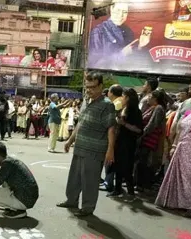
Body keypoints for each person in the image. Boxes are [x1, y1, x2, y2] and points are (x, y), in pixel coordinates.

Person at [57, 72, 116, 217]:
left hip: (95, 150)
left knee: (90, 180)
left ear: (101, 86)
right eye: (87, 87)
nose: (89, 90)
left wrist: (110, 150)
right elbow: (80, 123)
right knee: (74, 177)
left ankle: (88, 207)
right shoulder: (86, 101)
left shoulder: (107, 105)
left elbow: (111, 128)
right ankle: (71, 200)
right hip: (80, 146)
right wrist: (70, 140)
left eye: (93, 87)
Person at [110, 88, 143, 200]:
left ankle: (130, 192)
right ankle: (117, 189)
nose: (121, 99)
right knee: (117, 165)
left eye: (123, 96)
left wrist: (124, 124)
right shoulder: (123, 109)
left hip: (128, 142)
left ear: (128, 98)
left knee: (127, 167)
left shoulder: (135, 111)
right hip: (119, 140)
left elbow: (139, 130)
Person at [137, 89, 166, 192]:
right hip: (146, 139)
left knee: (145, 162)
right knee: (142, 161)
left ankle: (144, 185)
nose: (147, 99)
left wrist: (141, 134)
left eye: (149, 97)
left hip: (149, 140)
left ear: (155, 98)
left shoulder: (158, 108)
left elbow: (152, 124)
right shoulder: (152, 108)